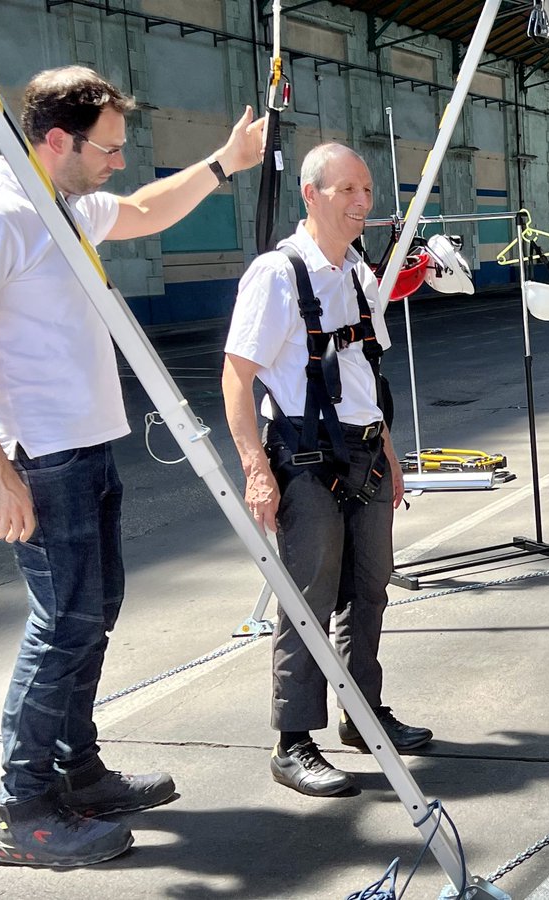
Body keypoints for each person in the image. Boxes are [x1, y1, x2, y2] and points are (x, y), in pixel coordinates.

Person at [0, 67, 265, 867]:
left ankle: (76, 772)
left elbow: (146, 210)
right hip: (40, 455)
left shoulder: (65, 204)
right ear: (56, 139)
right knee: (62, 623)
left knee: (93, 612)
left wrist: (223, 162)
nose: (118, 163)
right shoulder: (6, 215)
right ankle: (23, 807)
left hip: (86, 445)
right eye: (108, 149)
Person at [222, 143, 431, 799]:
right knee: (307, 601)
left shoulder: (357, 273)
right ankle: (293, 742)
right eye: (347, 190)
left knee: (370, 589)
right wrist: (256, 469)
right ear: (311, 195)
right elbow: (236, 377)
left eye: (367, 190)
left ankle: (363, 715)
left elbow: (366, 374)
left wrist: (389, 454)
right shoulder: (278, 274)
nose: (362, 203)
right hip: (307, 459)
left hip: (365, 455)